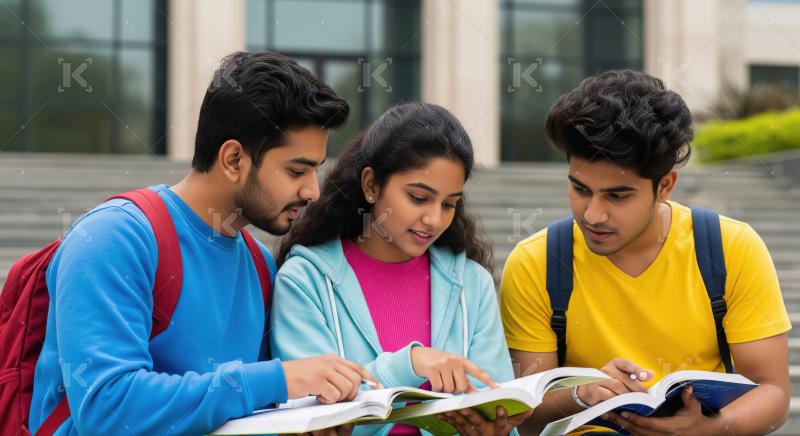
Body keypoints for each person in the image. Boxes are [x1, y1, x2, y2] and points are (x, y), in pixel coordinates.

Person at [28, 51, 375, 435]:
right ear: (232, 159)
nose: (312, 190)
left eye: (315, 169)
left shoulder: (260, 266)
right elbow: (108, 410)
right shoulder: (115, 239)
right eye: (297, 170)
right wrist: (275, 380)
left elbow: (244, 414)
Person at [500, 70, 791, 434]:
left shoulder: (731, 247)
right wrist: (583, 393)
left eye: (617, 196)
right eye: (580, 188)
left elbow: (774, 392)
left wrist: (711, 428)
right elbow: (526, 413)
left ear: (665, 185)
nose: (593, 214)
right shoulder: (535, 261)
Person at [271, 102, 532, 435]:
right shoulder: (304, 280)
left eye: (449, 204)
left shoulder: (473, 284)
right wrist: (408, 364)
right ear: (371, 185)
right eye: (419, 198)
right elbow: (310, 414)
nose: (434, 219)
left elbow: (497, 404)